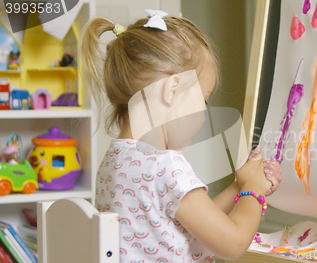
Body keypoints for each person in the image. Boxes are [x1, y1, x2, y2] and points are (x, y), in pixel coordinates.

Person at [80, 10, 283, 263]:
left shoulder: (115, 161)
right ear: (171, 90)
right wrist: (254, 189)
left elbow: (193, 220)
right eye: (204, 100)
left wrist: (239, 186)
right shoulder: (165, 165)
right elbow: (233, 243)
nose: (204, 113)